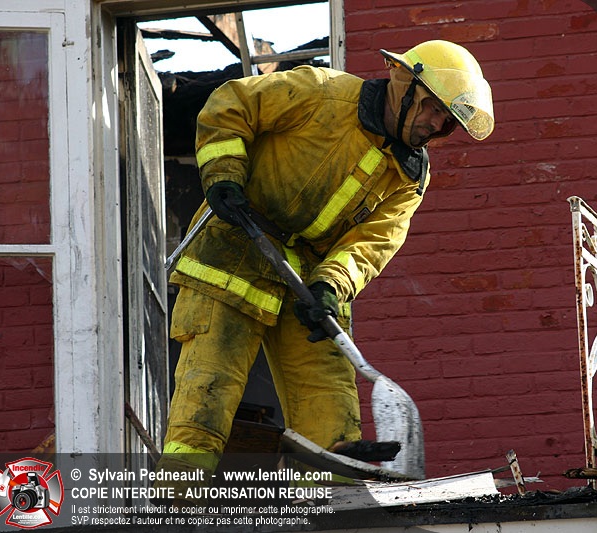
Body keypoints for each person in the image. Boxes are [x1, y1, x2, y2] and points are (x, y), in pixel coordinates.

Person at [155, 40, 494, 490]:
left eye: (447, 120)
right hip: (233, 254)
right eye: (433, 108)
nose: (437, 125)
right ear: (402, 82)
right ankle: (177, 502)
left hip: (306, 285)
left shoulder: (409, 176)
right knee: (207, 399)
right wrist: (223, 174)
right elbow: (231, 104)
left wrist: (331, 286)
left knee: (332, 412)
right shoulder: (322, 92)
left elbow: (372, 243)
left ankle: (333, 508)